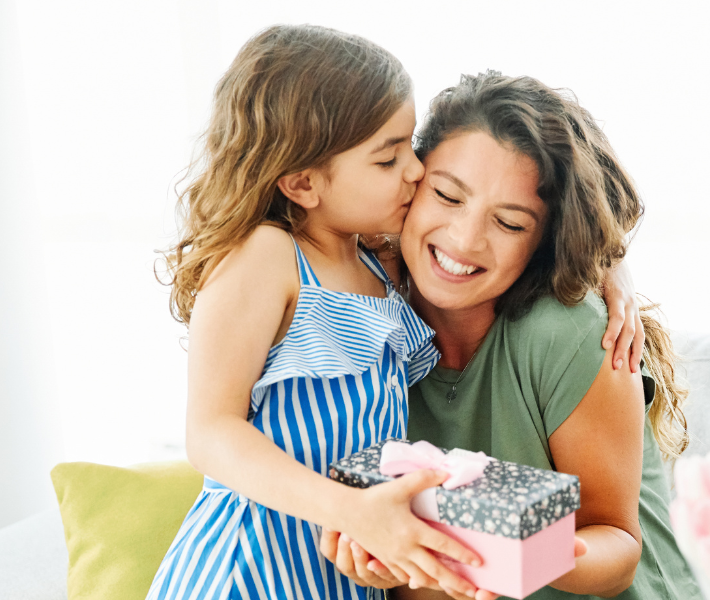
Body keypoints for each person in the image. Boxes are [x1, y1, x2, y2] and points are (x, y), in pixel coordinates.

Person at [322, 72, 703, 599]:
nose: (465, 239)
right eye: (447, 195)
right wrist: (394, 561)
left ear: (545, 239)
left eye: (510, 223)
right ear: (411, 182)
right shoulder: (366, 330)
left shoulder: (565, 334)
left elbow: (618, 550)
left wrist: (512, 551)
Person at [146, 25, 491, 600]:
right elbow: (210, 432)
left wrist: (613, 275)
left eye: (410, 146)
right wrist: (352, 511)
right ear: (303, 183)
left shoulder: (380, 261)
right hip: (248, 572)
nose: (415, 170)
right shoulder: (268, 257)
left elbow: (536, 225)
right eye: (388, 158)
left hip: (338, 573)